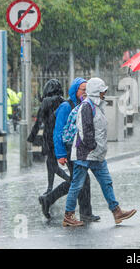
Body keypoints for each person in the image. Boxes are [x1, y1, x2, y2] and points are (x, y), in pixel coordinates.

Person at [63, 77, 136, 226]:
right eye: (103, 91)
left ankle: (116, 211)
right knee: (77, 185)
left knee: (106, 182)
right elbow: (85, 129)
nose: (105, 93)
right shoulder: (86, 107)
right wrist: (93, 145)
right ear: (96, 92)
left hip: (96, 154)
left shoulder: (97, 106)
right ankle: (68, 215)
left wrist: (98, 149)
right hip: (85, 153)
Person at [37, 77, 100, 222]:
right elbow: (58, 132)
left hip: (79, 149)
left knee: (78, 180)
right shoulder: (66, 106)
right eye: (83, 89)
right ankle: (84, 212)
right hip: (69, 149)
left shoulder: (84, 105)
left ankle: (50, 200)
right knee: (80, 179)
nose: (85, 92)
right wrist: (60, 153)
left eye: (87, 90)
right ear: (75, 90)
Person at [27, 79, 70, 195]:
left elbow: (38, 121)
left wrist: (32, 136)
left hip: (49, 136)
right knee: (51, 164)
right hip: (60, 135)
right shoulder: (63, 101)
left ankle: (69, 181)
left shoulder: (46, 101)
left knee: (51, 164)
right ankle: (51, 187)